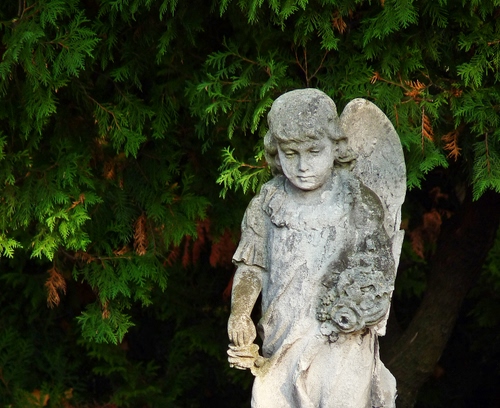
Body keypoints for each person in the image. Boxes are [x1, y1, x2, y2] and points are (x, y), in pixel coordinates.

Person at [227, 89, 397, 407]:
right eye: (291, 154)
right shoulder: (266, 204)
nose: (303, 165)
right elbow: (251, 267)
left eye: (314, 151)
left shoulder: (357, 202)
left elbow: (379, 273)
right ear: (276, 152)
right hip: (281, 339)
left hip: (341, 341)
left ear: (335, 146)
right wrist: (240, 314)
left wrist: (355, 307)